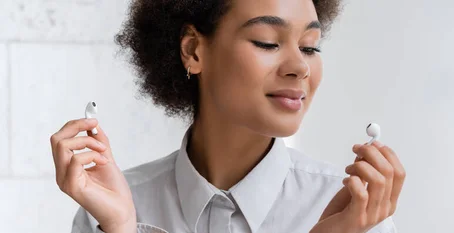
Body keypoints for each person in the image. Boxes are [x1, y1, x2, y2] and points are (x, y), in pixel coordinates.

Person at [49, 0, 406, 232]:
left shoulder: (354, 212)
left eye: (310, 47)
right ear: (193, 50)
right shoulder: (111, 208)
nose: (300, 66)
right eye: (267, 41)